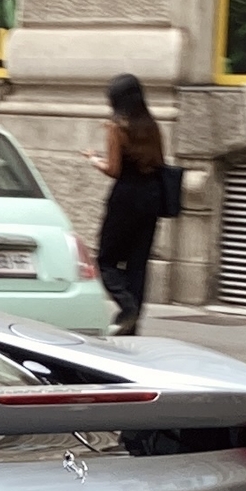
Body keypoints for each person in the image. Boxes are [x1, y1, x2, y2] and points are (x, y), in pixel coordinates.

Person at [87, 74, 167, 335]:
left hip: (126, 197)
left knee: (106, 259)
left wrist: (94, 160)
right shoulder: (153, 126)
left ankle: (127, 307)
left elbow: (113, 169)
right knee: (137, 263)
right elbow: (159, 162)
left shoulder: (116, 127)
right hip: (152, 197)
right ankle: (132, 324)